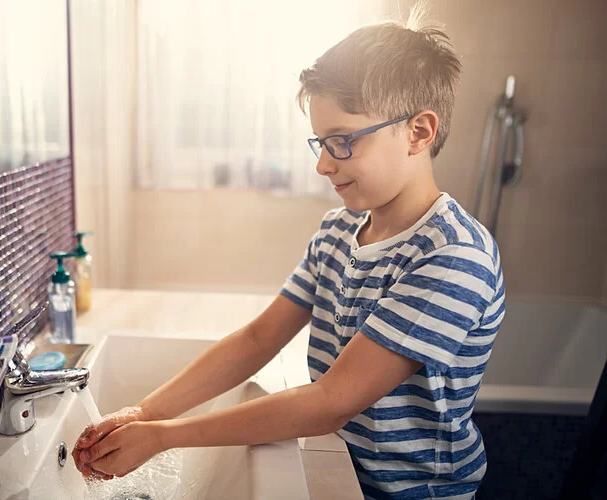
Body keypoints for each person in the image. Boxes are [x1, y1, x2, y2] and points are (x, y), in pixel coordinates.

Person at [74, 6, 504, 499]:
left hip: (412, 493)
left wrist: (164, 438)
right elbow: (258, 338)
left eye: (342, 141)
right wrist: (146, 413)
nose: (323, 164)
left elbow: (330, 402)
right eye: (320, 143)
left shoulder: (453, 258)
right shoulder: (338, 231)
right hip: (340, 464)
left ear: (418, 132)